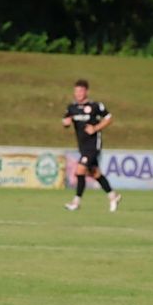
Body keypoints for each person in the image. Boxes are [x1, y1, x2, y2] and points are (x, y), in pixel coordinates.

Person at [62, 79, 120, 212]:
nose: (78, 93)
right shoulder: (72, 107)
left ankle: (76, 202)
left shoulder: (95, 106)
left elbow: (109, 118)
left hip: (94, 145)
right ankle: (113, 196)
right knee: (95, 173)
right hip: (82, 146)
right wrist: (65, 122)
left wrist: (95, 128)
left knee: (80, 170)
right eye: (76, 91)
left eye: (81, 91)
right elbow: (65, 121)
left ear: (86, 91)